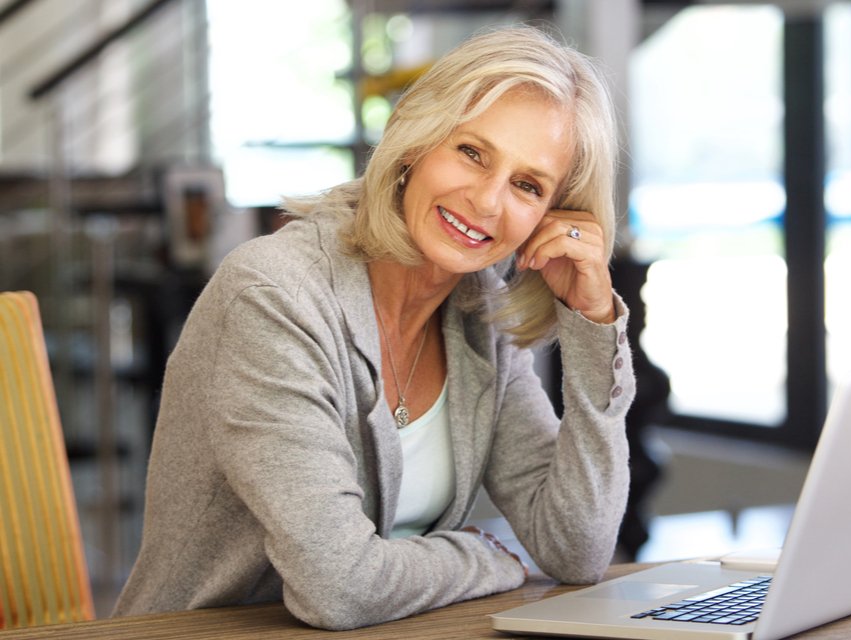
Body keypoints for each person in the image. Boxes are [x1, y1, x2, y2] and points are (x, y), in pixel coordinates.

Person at [113, 24, 636, 631]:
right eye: (471, 152)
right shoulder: (274, 297)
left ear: (550, 215)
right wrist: (478, 557)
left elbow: (576, 547)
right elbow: (341, 588)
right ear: (416, 139)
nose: (488, 202)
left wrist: (593, 325)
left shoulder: (477, 316)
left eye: (527, 185)